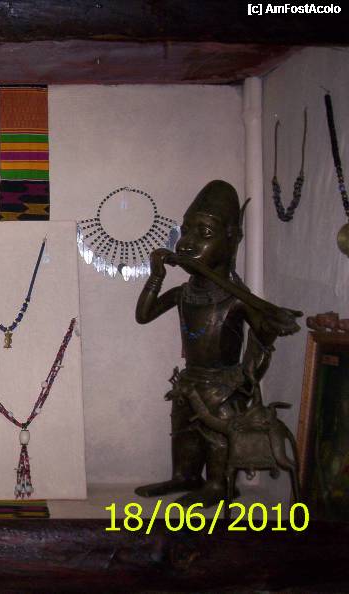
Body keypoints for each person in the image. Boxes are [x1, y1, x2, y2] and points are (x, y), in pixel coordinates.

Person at [134, 180, 300, 507]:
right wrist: (157, 275)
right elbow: (144, 315)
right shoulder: (185, 293)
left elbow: (261, 341)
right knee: (183, 431)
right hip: (189, 380)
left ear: (231, 239)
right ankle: (185, 476)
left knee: (218, 436)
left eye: (204, 233)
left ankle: (219, 484)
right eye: (186, 231)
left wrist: (268, 331)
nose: (187, 243)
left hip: (223, 386)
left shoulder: (236, 300)